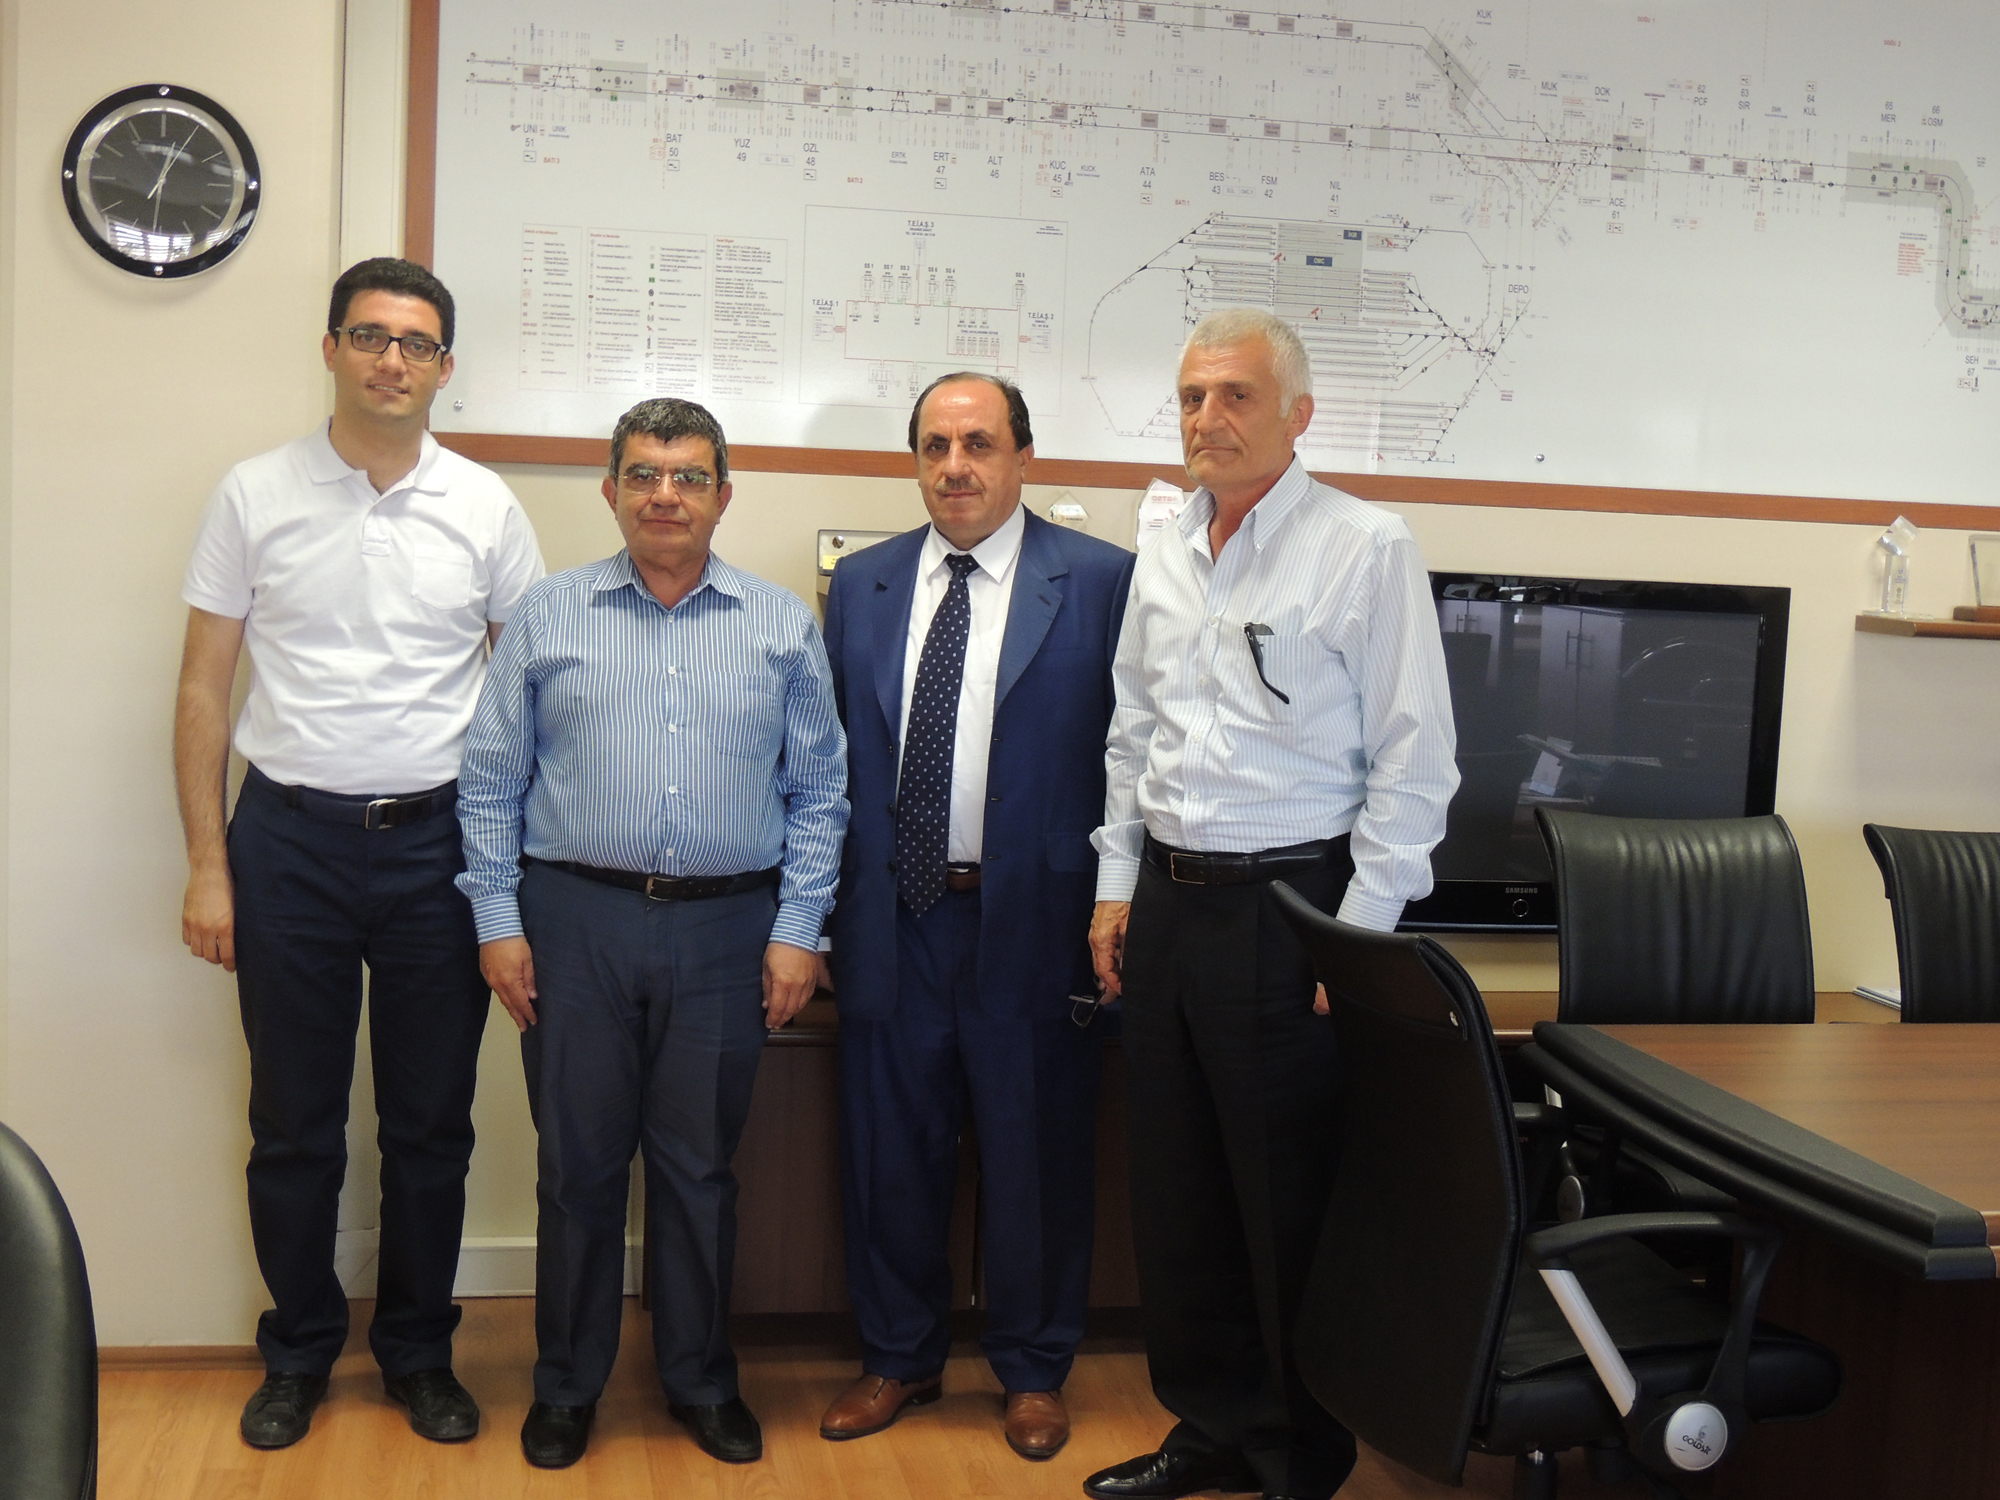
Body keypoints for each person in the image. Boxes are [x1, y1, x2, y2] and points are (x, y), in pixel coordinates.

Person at [1081, 309, 1459, 1500]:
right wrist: (1114, 885)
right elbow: (1133, 729)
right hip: (1168, 905)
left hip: (1291, 909)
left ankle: (1300, 1449)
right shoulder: (1164, 544)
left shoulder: (1363, 546)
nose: (1207, 418)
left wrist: (1357, 937)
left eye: (1235, 395)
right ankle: (1211, 1426)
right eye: (1191, 397)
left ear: (1298, 414)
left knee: (1283, 1198)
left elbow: (1415, 762)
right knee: (1179, 1191)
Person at [175, 257, 545, 1450]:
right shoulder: (254, 493)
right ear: (330, 347)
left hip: (438, 848)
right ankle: (296, 1351)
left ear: (444, 367)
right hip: (285, 844)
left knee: (430, 1126)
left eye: (416, 343)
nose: (393, 360)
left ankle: (419, 1353)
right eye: (371, 336)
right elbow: (203, 686)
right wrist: (208, 864)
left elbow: (527, 701)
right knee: (294, 1124)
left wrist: (508, 882)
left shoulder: (484, 506)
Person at [456, 396, 848, 1471]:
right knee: (577, 1169)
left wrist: (798, 929)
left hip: (728, 931)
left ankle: (700, 1381)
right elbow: (489, 782)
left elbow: (820, 793)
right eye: (642, 474)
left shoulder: (780, 624)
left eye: (687, 476)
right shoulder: (549, 615)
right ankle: (566, 1386)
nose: (664, 495)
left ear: (723, 494)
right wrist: (497, 922)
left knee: (698, 1171)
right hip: (572, 922)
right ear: (610, 490)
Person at [817, 372, 1135, 1460]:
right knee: (888, 1151)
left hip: (1035, 922)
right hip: (892, 916)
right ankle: (896, 1357)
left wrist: (1116, 897)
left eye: (978, 444)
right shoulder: (861, 586)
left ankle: (1034, 1370)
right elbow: (831, 765)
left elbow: (1133, 753)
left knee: (1035, 1151)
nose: (954, 467)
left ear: (1022, 456)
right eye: (934, 446)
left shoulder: (1101, 582)